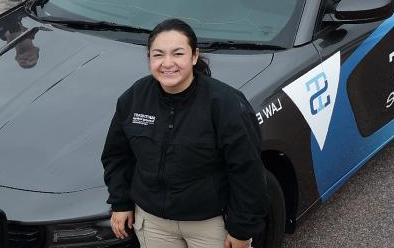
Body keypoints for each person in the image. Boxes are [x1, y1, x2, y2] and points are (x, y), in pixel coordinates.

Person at [101, 19, 269, 248]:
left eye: (178, 54)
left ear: (194, 56)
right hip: (153, 223)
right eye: (158, 55)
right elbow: (117, 156)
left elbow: (247, 170)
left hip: (210, 224)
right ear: (149, 57)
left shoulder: (225, 104)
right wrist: (120, 203)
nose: (167, 63)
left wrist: (241, 230)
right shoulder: (134, 98)